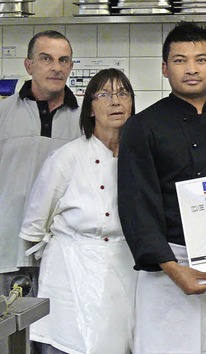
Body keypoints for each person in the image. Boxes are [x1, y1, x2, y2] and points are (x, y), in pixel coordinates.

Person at [117, 21, 206, 353]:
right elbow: (137, 203)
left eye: (201, 60)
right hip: (169, 265)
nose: (191, 69)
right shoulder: (142, 126)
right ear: (165, 69)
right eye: (180, 60)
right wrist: (171, 268)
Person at [19, 68, 137, 354]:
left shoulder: (140, 157)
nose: (115, 101)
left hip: (124, 268)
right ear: (91, 108)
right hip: (71, 273)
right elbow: (34, 227)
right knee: (71, 345)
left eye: (123, 93)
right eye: (105, 94)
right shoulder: (66, 158)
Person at [0, 30, 79, 296]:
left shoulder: (85, 122)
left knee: (54, 337)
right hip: (7, 254)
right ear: (29, 64)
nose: (56, 68)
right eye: (46, 59)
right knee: (8, 335)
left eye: (63, 60)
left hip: (63, 256)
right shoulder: (3, 114)